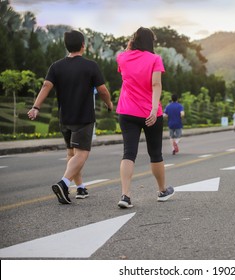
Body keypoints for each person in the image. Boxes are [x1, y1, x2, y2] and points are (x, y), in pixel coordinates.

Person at [27, 30, 113, 204]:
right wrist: (109, 104)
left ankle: (80, 188)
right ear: (83, 45)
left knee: (71, 154)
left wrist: (36, 106)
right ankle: (64, 183)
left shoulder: (56, 66)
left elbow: (46, 86)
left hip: (64, 118)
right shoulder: (91, 66)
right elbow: (103, 90)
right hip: (83, 118)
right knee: (81, 154)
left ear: (66, 46)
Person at [116, 27, 174, 208]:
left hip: (126, 111)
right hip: (150, 114)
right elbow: (156, 84)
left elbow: (125, 67)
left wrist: (129, 45)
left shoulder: (122, 57)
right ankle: (162, 191)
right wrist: (154, 108)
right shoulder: (155, 59)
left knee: (128, 153)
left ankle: (125, 196)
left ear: (133, 40)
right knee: (155, 154)